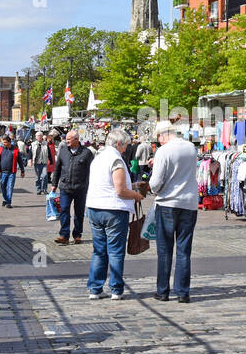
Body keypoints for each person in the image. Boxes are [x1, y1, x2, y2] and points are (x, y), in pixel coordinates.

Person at [85, 129, 146, 300]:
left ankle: (95, 288)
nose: (126, 149)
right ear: (118, 143)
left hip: (95, 207)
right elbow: (119, 190)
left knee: (99, 251)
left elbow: (109, 184)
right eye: (125, 145)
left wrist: (133, 185)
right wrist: (136, 195)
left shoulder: (98, 158)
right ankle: (116, 289)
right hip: (113, 210)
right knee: (115, 251)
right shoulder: (116, 160)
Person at [147, 122, 198, 303]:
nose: (158, 141)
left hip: (168, 203)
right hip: (189, 202)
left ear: (162, 135)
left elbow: (155, 183)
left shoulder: (164, 151)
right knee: (184, 250)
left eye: (158, 138)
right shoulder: (191, 148)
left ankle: (163, 291)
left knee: (165, 249)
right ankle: (183, 292)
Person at [52, 130, 93, 245]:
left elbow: (92, 170)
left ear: (76, 139)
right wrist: (54, 184)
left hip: (81, 187)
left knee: (79, 213)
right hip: (65, 187)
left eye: (69, 139)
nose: (66, 141)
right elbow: (57, 169)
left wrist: (91, 186)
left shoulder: (86, 153)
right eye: (66, 139)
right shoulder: (63, 151)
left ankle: (77, 235)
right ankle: (64, 235)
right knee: (64, 210)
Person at [0, 136, 19, 207]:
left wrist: (22, 171)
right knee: (2, 186)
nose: (3, 143)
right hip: (3, 172)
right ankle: (6, 199)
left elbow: (20, 161)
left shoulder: (15, 150)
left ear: (9, 142)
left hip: (12, 172)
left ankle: (8, 202)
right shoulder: (0, 149)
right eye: (3, 142)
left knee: (10, 187)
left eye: (5, 142)